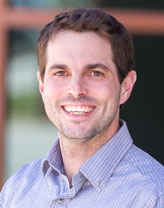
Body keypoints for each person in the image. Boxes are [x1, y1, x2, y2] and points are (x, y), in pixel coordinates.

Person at [0, 8, 164, 208]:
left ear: (126, 86)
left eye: (95, 73)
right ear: (42, 85)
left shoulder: (154, 195)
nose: (76, 90)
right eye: (61, 73)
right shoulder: (18, 189)